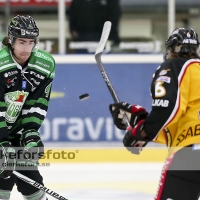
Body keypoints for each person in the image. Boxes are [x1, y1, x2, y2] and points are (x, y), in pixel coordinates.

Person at [109, 28, 200, 200]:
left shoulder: (174, 66)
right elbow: (179, 125)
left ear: (172, 50)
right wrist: (140, 121)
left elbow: (168, 109)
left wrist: (142, 132)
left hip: (191, 154)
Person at [0, 15, 55, 200]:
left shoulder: (44, 65)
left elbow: (36, 103)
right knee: (2, 179)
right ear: (11, 40)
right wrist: (2, 143)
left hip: (16, 130)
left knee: (30, 181)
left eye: (30, 42)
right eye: (22, 42)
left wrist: (30, 133)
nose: (26, 48)